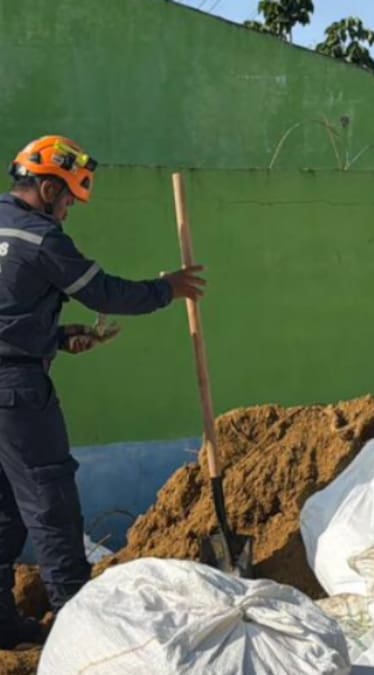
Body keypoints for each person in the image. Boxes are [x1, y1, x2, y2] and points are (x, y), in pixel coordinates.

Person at [0, 135, 205, 647]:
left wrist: (60, 337)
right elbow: (104, 292)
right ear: (47, 188)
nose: (69, 209)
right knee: (52, 506)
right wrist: (168, 289)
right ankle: (84, 635)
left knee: (3, 510)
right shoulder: (42, 238)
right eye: (68, 197)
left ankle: (1, 626)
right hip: (15, 394)